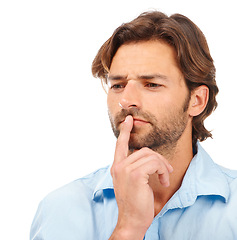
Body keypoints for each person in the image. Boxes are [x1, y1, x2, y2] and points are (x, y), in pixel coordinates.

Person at [30, 11, 237, 240]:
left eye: (151, 84)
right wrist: (128, 229)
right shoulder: (59, 211)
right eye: (118, 85)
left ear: (196, 101)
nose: (127, 100)